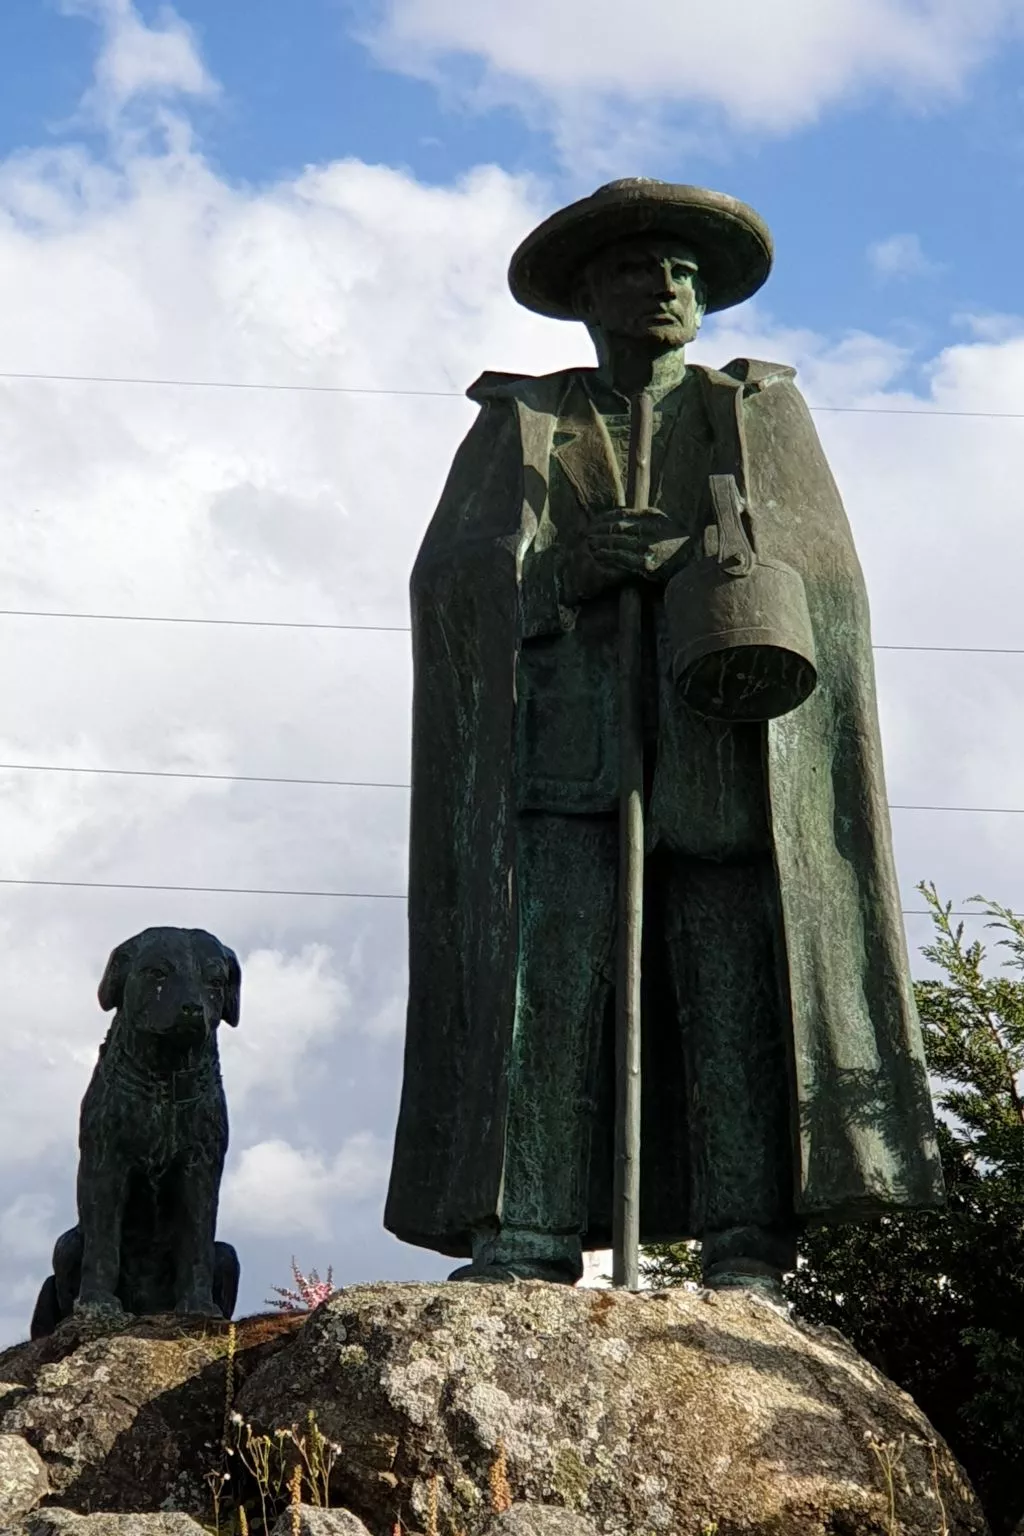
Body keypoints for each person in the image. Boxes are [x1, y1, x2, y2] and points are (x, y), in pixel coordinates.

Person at [384, 179, 944, 1296]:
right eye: (640, 269)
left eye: (684, 274)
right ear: (587, 294)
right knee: (541, 992)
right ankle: (531, 1231)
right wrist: (562, 574)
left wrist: (720, 566)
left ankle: (746, 1239)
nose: (666, 287)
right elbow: (449, 583)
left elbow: (827, 576)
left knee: (730, 1000)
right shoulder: (523, 423)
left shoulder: (754, 413)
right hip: (564, 764)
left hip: (719, 756)